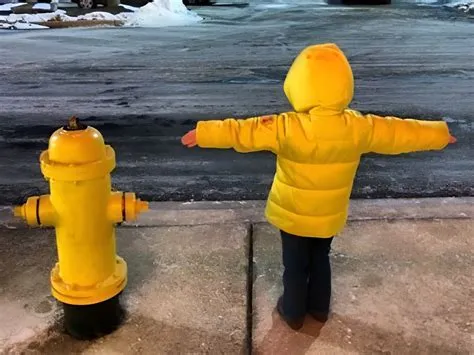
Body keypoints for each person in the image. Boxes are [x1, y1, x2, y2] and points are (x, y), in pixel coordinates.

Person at [181, 43, 457, 331]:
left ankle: (293, 312)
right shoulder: (359, 126)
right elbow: (401, 131)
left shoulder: (285, 126)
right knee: (321, 259)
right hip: (329, 214)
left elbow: (243, 131)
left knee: (295, 266)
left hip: (293, 214)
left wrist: (203, 133)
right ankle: (319, 309)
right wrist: (439, 135)